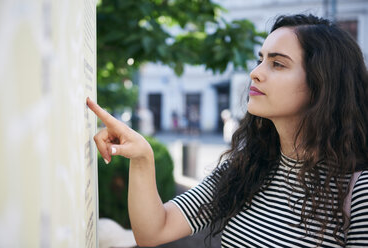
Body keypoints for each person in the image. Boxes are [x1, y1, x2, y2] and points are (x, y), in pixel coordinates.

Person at [87, 14, 368, 247]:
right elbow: (153, 231)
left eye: (278, 63)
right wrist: (142, 157)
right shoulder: (248, 168)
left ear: (322, 85)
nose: (255, 72)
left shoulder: (357, 192)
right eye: (261, 59)